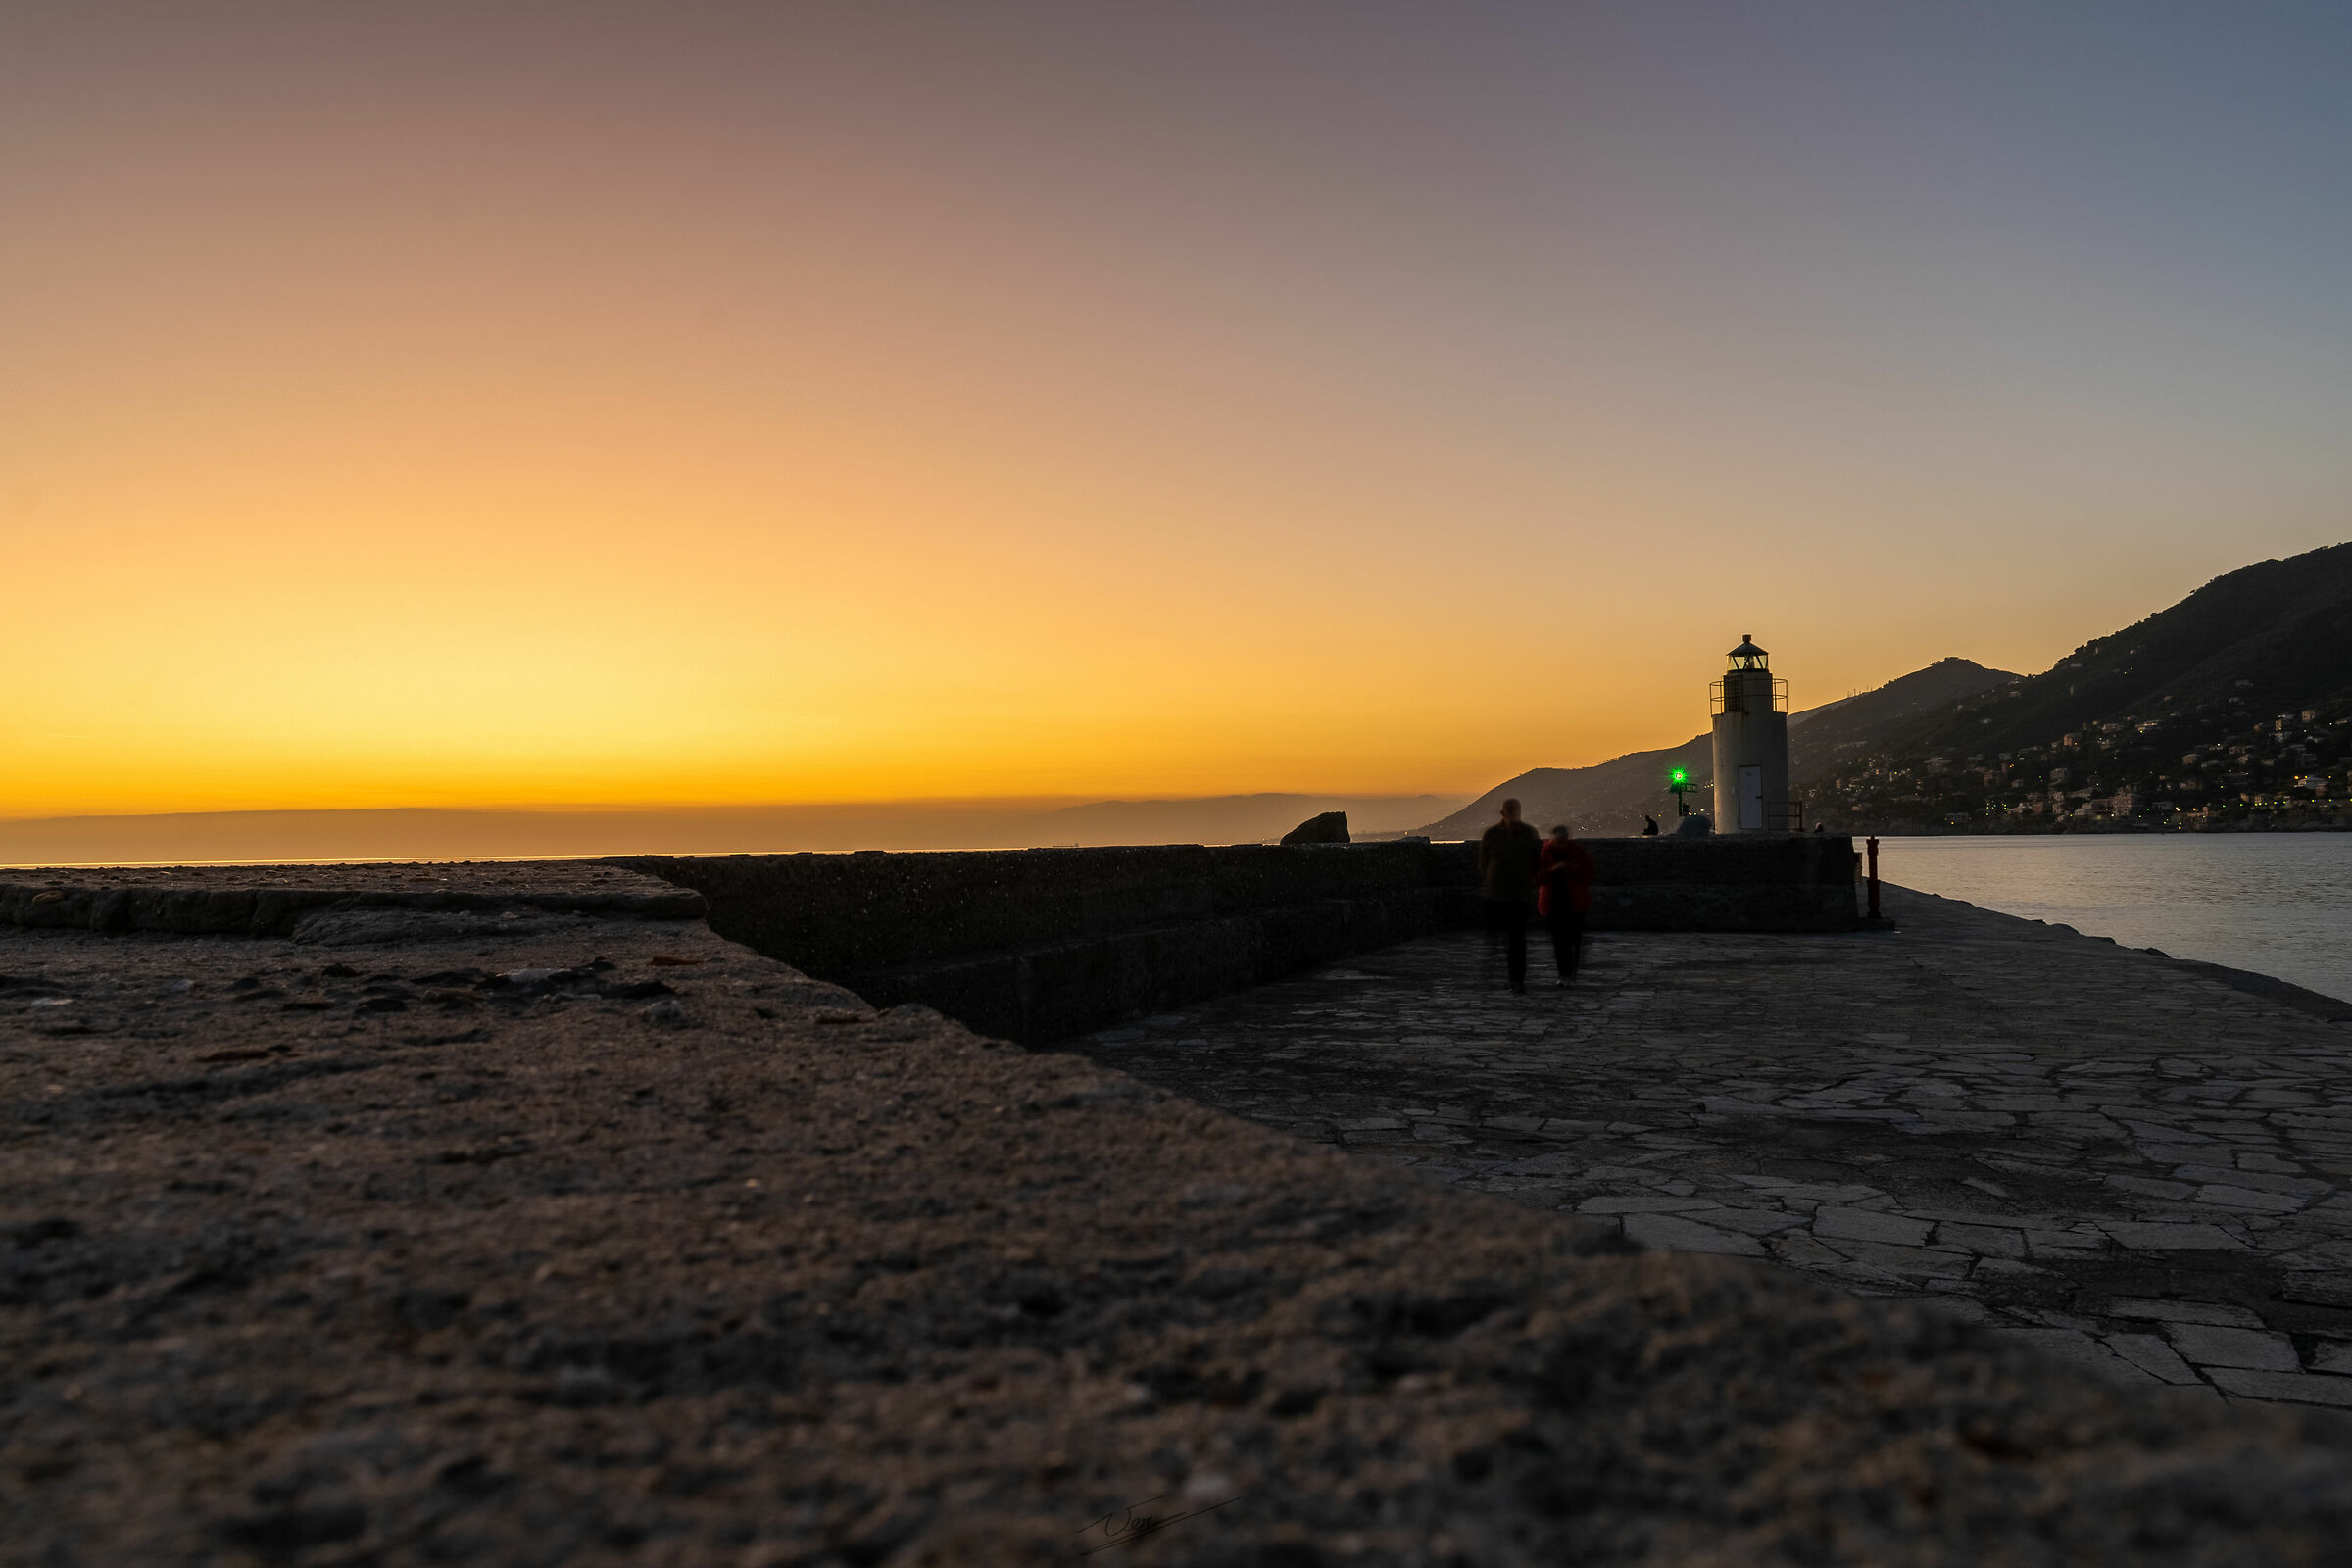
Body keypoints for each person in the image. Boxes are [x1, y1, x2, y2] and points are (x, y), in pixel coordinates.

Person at [1477, 798, 1542, 993]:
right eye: (1510, 810)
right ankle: (1510, 976)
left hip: (1520, 895)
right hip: (1496, 895)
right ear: (1503, 813)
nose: (1513, 813)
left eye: (1516, 810)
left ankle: (1517, 980)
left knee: (1517, 940)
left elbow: (1537, 861)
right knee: (1502, 939)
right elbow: (1483, 864)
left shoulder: (1529, 834)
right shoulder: (1491, 835)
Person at [1536, 824, 1597, 984]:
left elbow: (1590, 873)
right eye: (1558, 841)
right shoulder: (1546, 853)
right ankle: (1563, 974)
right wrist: (1554, 870)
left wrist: (1573, 870)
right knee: (1559, 941)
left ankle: (1570, 974)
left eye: (1563, 840)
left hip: (1575, 903)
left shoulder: (1577, 851)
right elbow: (1537, 878)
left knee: (1573, 940)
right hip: (1553, 903)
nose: (1561, 843)